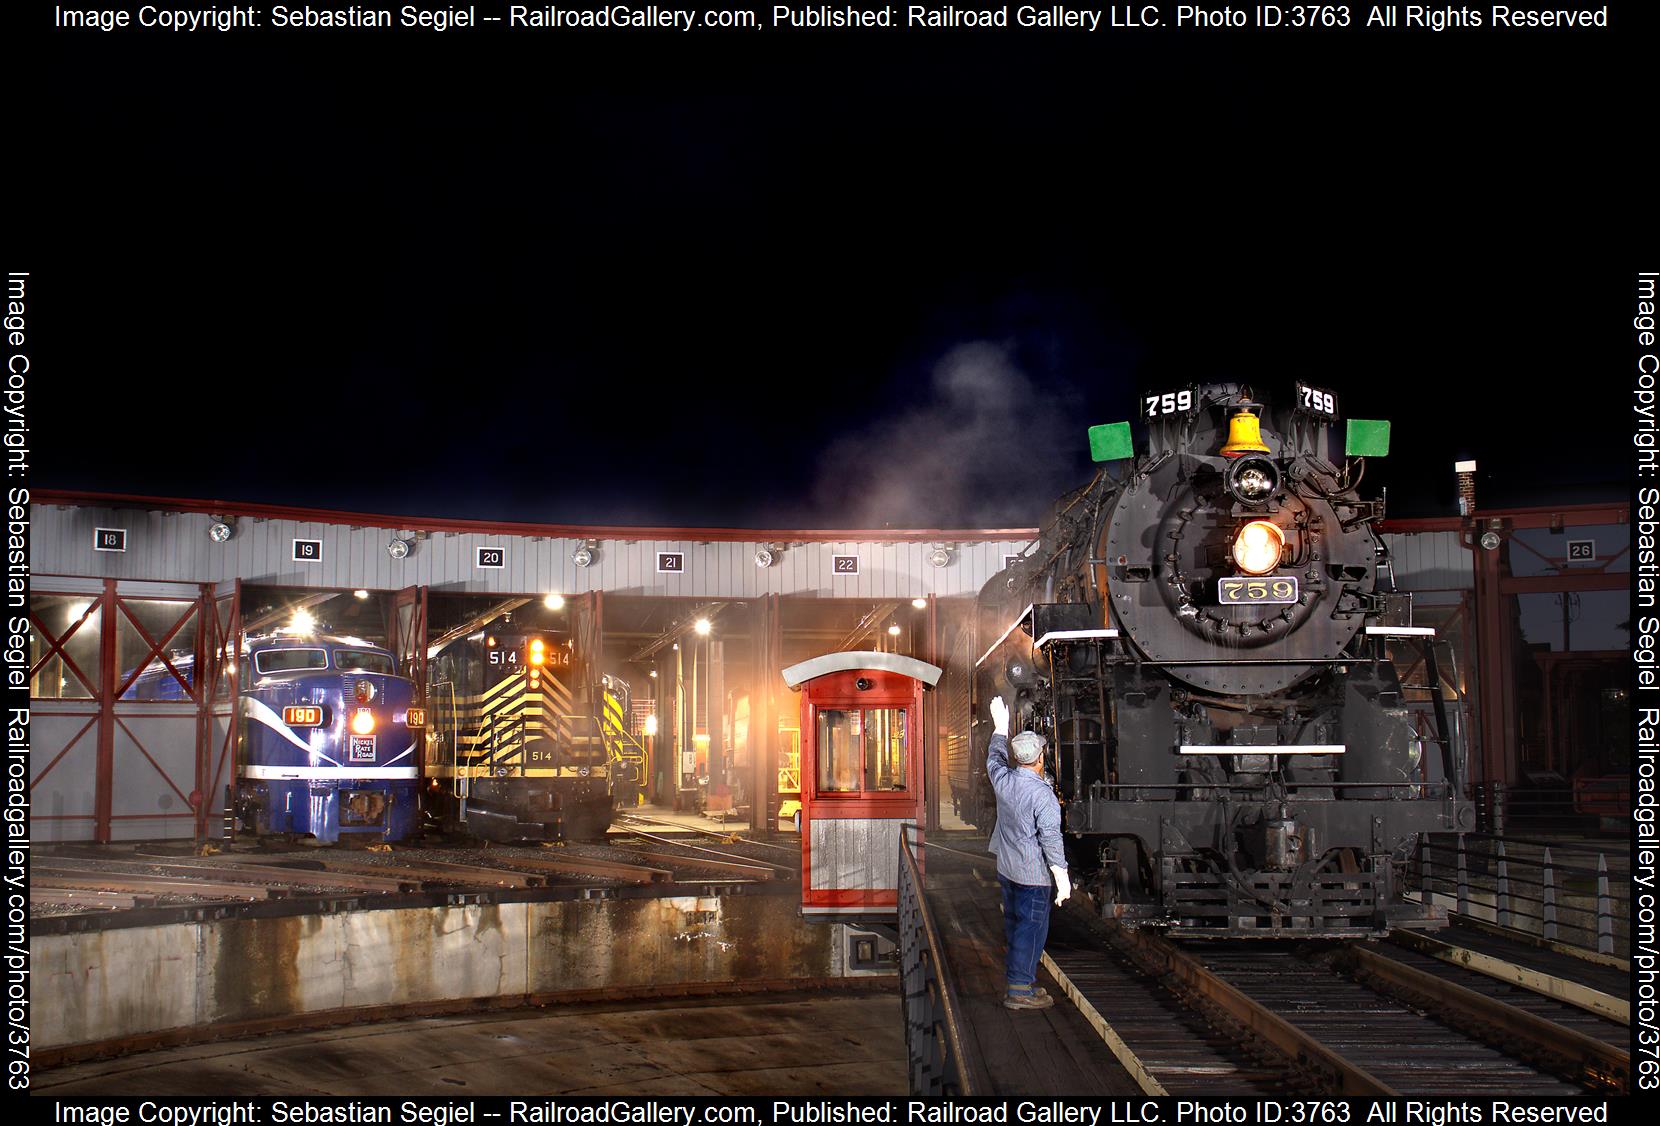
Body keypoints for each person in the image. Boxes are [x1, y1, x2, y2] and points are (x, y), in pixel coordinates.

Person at [986, 695, 1070, 1011]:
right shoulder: (1043, 796)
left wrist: (999, 728)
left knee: (1014, 923)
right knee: (1031, 929)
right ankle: (1021, 988)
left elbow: (994, 757)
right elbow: (1050, 840)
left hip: (1006, 868)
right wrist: (1061, 876)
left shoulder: (1002, 780)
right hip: (1033, 875)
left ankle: (1019, 979)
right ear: (1039, 758)